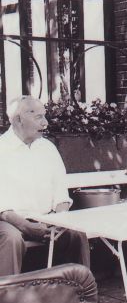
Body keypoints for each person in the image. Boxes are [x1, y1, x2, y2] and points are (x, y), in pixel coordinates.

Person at [0, 95, 90, 276]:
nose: (46, 123)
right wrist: (26, 226)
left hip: (48, 219)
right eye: (39, 117)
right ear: (18, 119)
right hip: (9, 221)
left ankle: (82, 296)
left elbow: (61, 194)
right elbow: (4, 209)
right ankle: (7, 300)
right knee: (11, 239)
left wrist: (59, 220)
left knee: (77, 234)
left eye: (45, 116)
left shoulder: (47, 148)